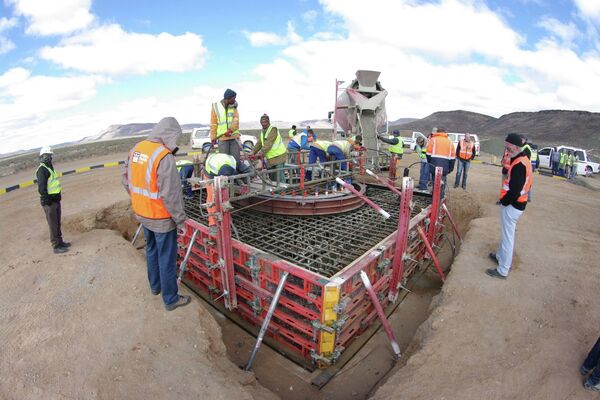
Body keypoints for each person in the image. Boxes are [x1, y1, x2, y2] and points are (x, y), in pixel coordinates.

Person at [123, 117, 191, 311]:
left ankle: (155, 287)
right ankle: (170, 299)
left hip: (143, 214)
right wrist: (181, 220)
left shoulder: (136, 149)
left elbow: (126, 180)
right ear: (169, 134)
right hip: (161, 218)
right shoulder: (164, 157)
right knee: (166, 258)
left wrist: (139, 200)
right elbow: (171, 194)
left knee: (151, 250)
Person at [486, 133, 532, 280]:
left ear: (516, 146)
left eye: (508, 145)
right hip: (516, 204)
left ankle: (503, 270)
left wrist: (505, 202)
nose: (506, 148)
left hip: (513, 205)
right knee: (506, 234)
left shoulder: (519, 164)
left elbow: (515, 190)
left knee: (507, 238)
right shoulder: (522, 159)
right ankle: (500, 256)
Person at [36, 146, 70, 254]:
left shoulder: (50, 167)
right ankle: (56, 246)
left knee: (57, 223)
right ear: (42, 156)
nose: (49, 157)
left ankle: (60, 242)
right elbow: (42, 188)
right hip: (50, 203)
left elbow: (54, 185)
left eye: (50, 155)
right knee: (53, 224)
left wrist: (57, 197)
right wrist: (48, 201)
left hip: (55, 201)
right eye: (47, 155)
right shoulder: (42, 169)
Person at [203, 152, 249, 227]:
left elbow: (247, 171)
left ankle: (226, 214)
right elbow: (215, 186)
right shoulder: (213, 170)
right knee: (212, 198)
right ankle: (213, 222)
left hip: (221, 164)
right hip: (209, 174)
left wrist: (245, 182)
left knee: (225, 192)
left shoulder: (233, 161)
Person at [250, 114, 287, 183]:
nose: (263, 124)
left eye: (265, 122)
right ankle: (274, 191)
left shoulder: (273, 129)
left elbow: (269, 143)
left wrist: (260, 153)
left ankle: (282, 191)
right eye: (262, 122)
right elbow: (260, 143)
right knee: (273, 177)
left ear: (268, 122)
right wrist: (253, 152)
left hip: (279, 156)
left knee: (279, 177)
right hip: (271, 159)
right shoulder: (263, 131)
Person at [210, 88, 241, 166]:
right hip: (222, 139)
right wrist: (213, 137)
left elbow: (236, 120)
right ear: (228, 98)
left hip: (233, 138)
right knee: (224, 161)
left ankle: (236, 178)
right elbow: (213, 124)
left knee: (235, 161)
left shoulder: (234, 106)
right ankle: (227, 177)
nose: (235, 100)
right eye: (233, 98)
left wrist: (230, 130)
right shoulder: (215, 107)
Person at [425, 127, 456, 198]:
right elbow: (453, 157)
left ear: (437, 132)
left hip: (434, 165)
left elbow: (428, 154)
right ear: (445, 133)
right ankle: (440, 199)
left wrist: (430, 163)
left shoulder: (433, 140)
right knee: (442, 183)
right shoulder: (450, 142)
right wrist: (450, 169)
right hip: (445, 167)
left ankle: (434, 199)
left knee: (435, 182)